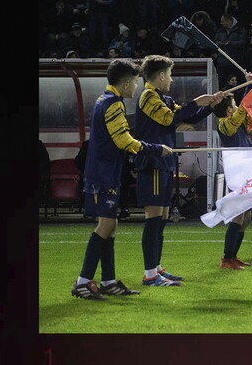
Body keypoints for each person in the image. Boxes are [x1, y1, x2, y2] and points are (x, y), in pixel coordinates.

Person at [72, 58, 172, 300]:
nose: (137, 87)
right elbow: (124, 141)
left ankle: (107, 281)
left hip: (105, 174)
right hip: (103, 176)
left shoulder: (103, 100)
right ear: (126, 83)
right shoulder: (113, 105)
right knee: (106, 225)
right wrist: (155, 148)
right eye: (136, 82)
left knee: (111, 225)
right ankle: (83, 281)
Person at [134, 55, 225, 286]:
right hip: (152, 162)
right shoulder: (148, 96)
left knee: (162, 218)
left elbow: (186, 115)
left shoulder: (162, 97)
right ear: (162, 75)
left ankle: (156, 269)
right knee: (154, 218)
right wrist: (197, 101)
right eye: (170, 75)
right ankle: (150, 275)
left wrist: (210, 106)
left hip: (164, 163)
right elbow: (168, 120)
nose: (172, 80)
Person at [211, 87, 252, 270]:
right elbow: (241, 113)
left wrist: (248, 87)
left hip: (245, 171)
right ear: (229, 110)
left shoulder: (236, 123)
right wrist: (247, 99)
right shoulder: (223, 124)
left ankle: (233, 256)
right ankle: (226, 258)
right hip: (237, 173)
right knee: (238, 216)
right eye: (234, 105)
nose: (237, 108)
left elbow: (245, 111)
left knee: (246, 216)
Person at [213, 12, 248, 79]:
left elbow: (243, 42)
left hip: (235, 62)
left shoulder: (239, 30)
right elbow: (214, 42)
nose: (221, 23)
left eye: (223, 21)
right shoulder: (220, 30)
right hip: (222, 62)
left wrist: (230, 43)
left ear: (228, 21)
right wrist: (221, 43)